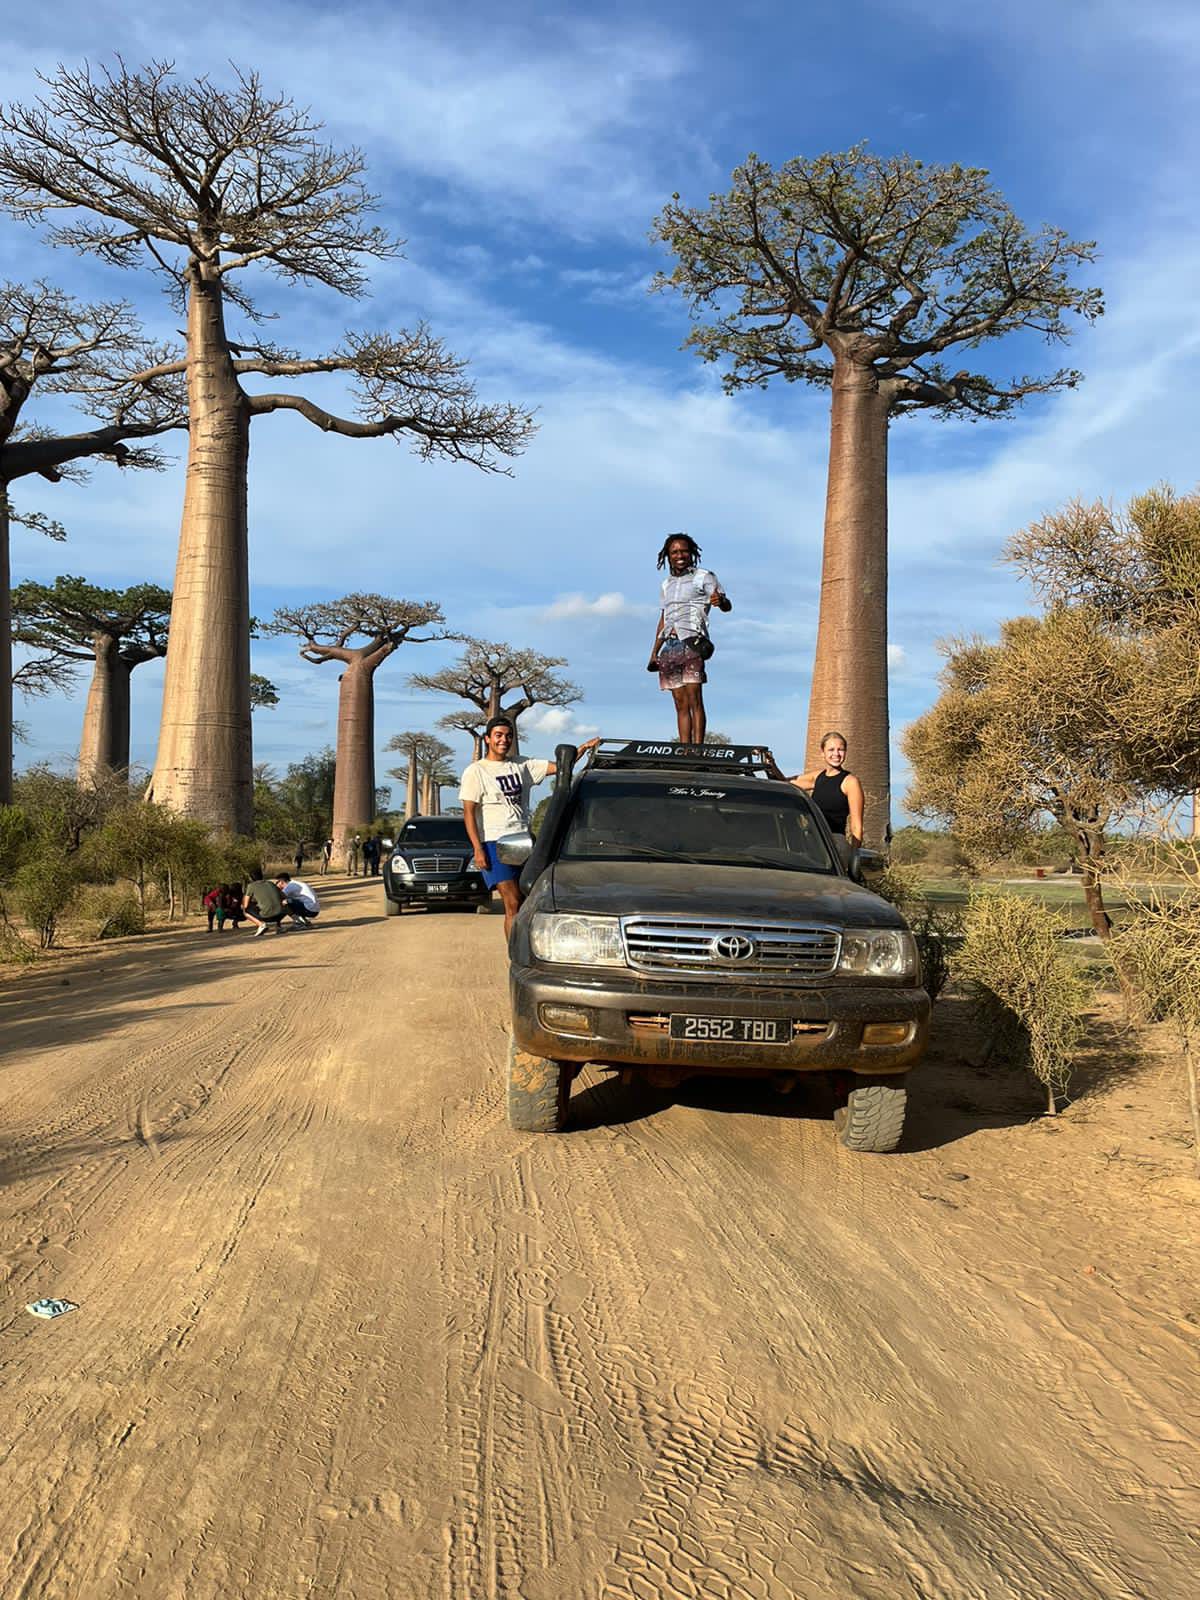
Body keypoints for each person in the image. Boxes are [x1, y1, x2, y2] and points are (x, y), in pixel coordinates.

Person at [461, 716, 600, 937]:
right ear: (488, 739)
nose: (503, 740)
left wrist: (583, 748)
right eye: (498, 735)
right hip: (495, 843)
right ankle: (514, 955)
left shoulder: (522, 764)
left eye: (508, 736)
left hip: (523, 840)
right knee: (512, 902)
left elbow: (563, 767)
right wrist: (478, 849)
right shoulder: (476, 771)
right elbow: (468, 812)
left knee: (527, 900)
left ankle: (527, 947)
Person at [647, 532, 731, 745]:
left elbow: (726, 605)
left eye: (684, 550)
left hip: (692, 642)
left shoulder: (703, 577)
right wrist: (654, 652)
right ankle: (685, 751)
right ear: (668, 555)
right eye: (674, 552)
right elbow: (663, 618)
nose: (679, 555)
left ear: (691, 553)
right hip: (670, 646)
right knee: (680, 704)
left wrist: (719, 600)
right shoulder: (666, 584)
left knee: (695, 700)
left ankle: (698, 749)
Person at [768, 731, 865, 863]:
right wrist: (771, 764)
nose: (836, 754)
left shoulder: (850, 782)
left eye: (840, 749)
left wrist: (855, 860)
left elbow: (856, 826)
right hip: (811, 841)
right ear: (822, 752)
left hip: (835, 842)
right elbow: (785, 783)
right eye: (831, 750)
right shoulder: (817, 777)